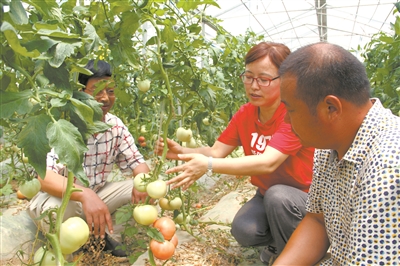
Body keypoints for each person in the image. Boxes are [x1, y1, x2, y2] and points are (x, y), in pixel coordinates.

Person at [155, 42, 315, 264]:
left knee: (279, 197)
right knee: (244, 230)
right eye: (248, 77)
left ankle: (299, 253)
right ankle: (281, 242)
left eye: (264, 79)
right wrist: (183, 151)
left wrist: (208, 165)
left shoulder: (292, 115)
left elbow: (268, 163)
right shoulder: (246, 113)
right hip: (267, 194)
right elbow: (215, 151)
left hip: (304, 198)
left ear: (286, 80)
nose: (253, 86)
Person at [272, 42, 400, 265]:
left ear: (330, 108)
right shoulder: (329, 144)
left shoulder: (386, 169)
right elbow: (318, 219)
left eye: (291, 109)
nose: (286, 120)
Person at [28, 60, 150, 257]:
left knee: (146, 188)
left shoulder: (115, 125)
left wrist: (142, 182)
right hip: (63, 199)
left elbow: (138, 164)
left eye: (110, 91)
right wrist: (85, 194)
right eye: (97, 90)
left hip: (97, 195)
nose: (105, 98)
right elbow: (43, 177)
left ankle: (106, 237)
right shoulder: (59, 124)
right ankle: (65, 249)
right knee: (53, 211)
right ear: (80, 92)